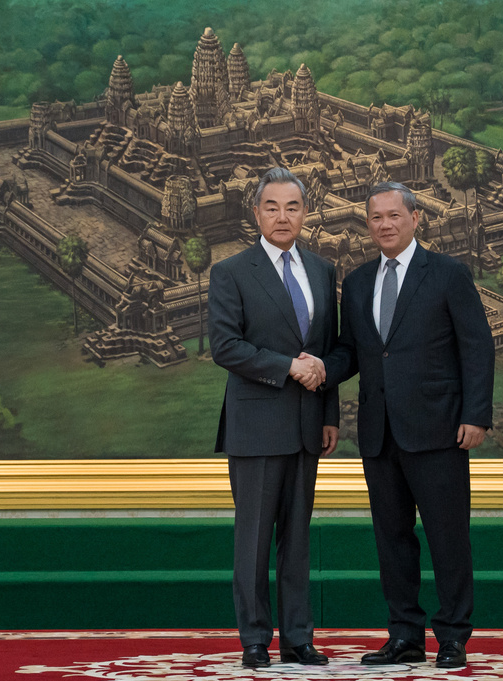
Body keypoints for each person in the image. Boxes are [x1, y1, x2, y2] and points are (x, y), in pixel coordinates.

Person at [316, 180, 495, 669]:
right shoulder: (356, 283)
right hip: (379, 434)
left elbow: (477, 347)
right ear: (367, 223)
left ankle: (453, 636)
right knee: (392, 540)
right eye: (376, 217)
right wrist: (320, 369)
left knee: (447, 538)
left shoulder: (449, 274)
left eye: (394, 215)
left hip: (439, 430)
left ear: (416, 219)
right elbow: (351, 351)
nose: (385, 225)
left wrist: (476, 415)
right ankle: (404, 635)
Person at [208, 167, 338, 669]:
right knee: (254, 540)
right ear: (256, 212)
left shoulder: (323, 270)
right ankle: (255, 639)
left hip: (308, 425)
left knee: (298, 540)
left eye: (292, 207)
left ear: (305, 213)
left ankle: (298, 638)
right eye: (272, 207)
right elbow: (225, 346)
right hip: (257, 427)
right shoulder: (231, 271)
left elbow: (326, 350)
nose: (283, 217)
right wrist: (287, 367)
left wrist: (329, 414)